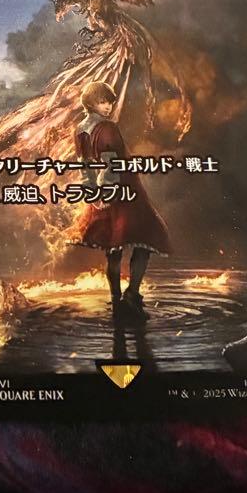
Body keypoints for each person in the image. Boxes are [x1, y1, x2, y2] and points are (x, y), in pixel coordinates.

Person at [69, 80, 171, 321]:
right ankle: (131, 296)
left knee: (113, 248)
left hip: (101, 194)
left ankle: (117, 302)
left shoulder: (80, 130)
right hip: (123, 191)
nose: (108, 106)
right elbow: (110, 164)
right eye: (102, 102)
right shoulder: (107, 128)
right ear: (91, 103)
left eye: (110, 102)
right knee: (145, 239)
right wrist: (107, 191)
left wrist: (92, 192)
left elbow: (84, 167)